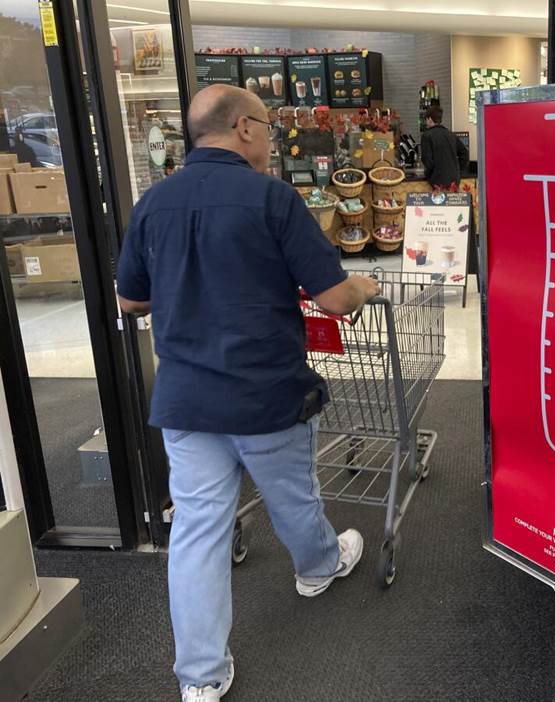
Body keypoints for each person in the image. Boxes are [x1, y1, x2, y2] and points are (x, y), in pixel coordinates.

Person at [116, 84, 380, 702]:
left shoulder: (154, 203)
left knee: (198, 530)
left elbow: (131, 300)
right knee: (291, 496)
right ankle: (318, 568)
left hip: (185, 397)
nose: (270, 138)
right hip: (264, 393)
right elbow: (333, 298)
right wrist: (364, 286)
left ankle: (201, 678)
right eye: (266, 126)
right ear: (243, 129)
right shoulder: (273, 198)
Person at [420, 105, 468, 189]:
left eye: (426, 120)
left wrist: (429, 174)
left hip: (437, 181)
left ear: (430, 119)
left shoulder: (426, 136)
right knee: (452, 201)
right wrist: (458, 170)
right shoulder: (450, 134)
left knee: (437, 202)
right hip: (454, 181)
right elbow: (464, 153)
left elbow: (427, 160)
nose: (426, 122)